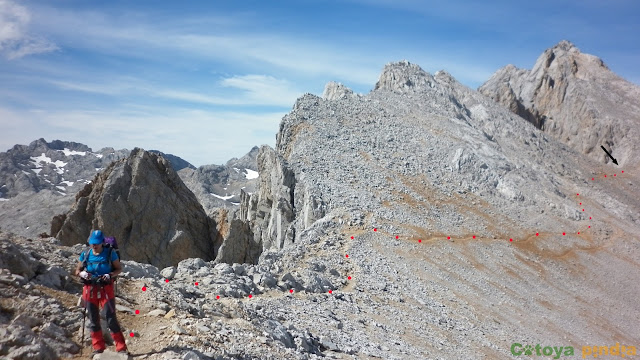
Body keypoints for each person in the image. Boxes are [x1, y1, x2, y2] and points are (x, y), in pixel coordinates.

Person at [74, 230, 129, 355]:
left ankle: (121, 348)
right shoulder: (86, 254)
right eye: (92, 243)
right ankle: (98, 348)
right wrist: (81, 273)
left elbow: (118, 269)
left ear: (102, 242)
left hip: (106, 288)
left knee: (110, 318)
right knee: (93, 319)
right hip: (89, 289)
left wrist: (110, 275)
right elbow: (77, 270)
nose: (94, 245)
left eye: (97, 243)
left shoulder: (110, 253)